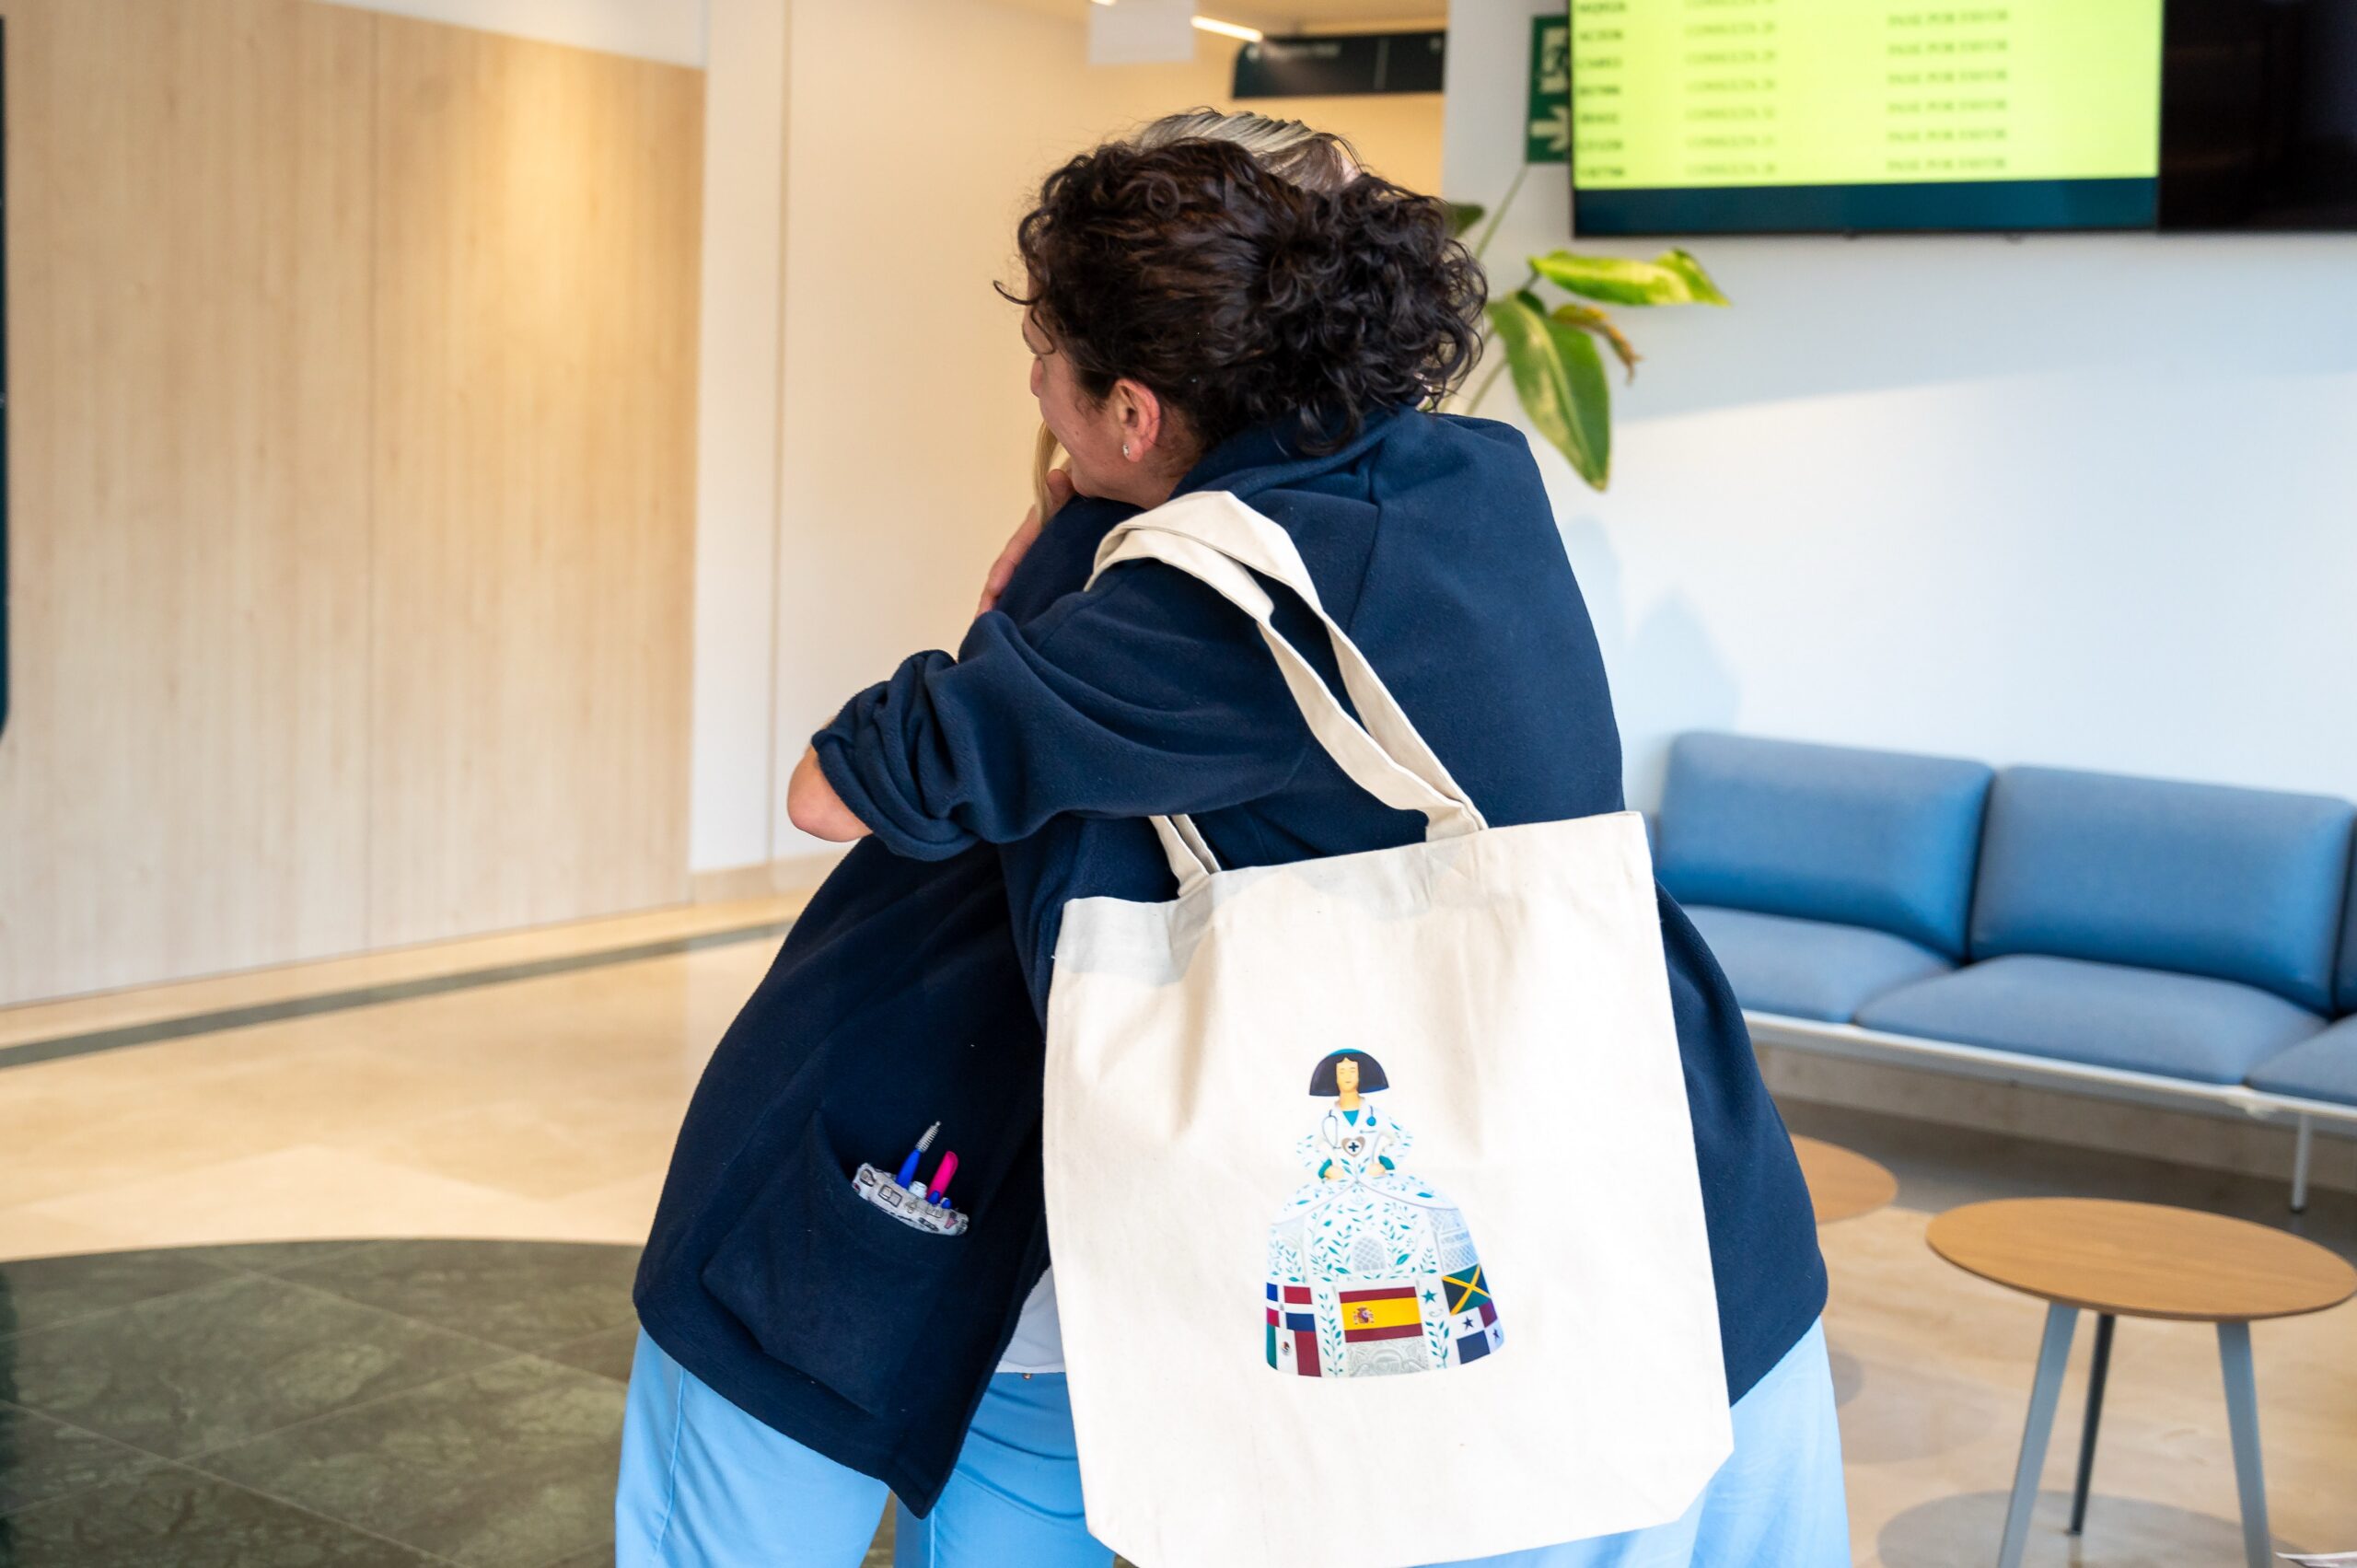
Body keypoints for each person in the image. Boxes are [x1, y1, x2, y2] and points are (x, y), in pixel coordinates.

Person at [621, 110, 1846, 1568]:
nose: (1032, 383)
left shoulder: (1196, 609)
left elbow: (839, 786)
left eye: (1047, 358)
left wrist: (1060, 564)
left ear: (1139, 414)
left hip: (1560, 1297)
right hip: (1692, 1201)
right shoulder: (1471, 480)